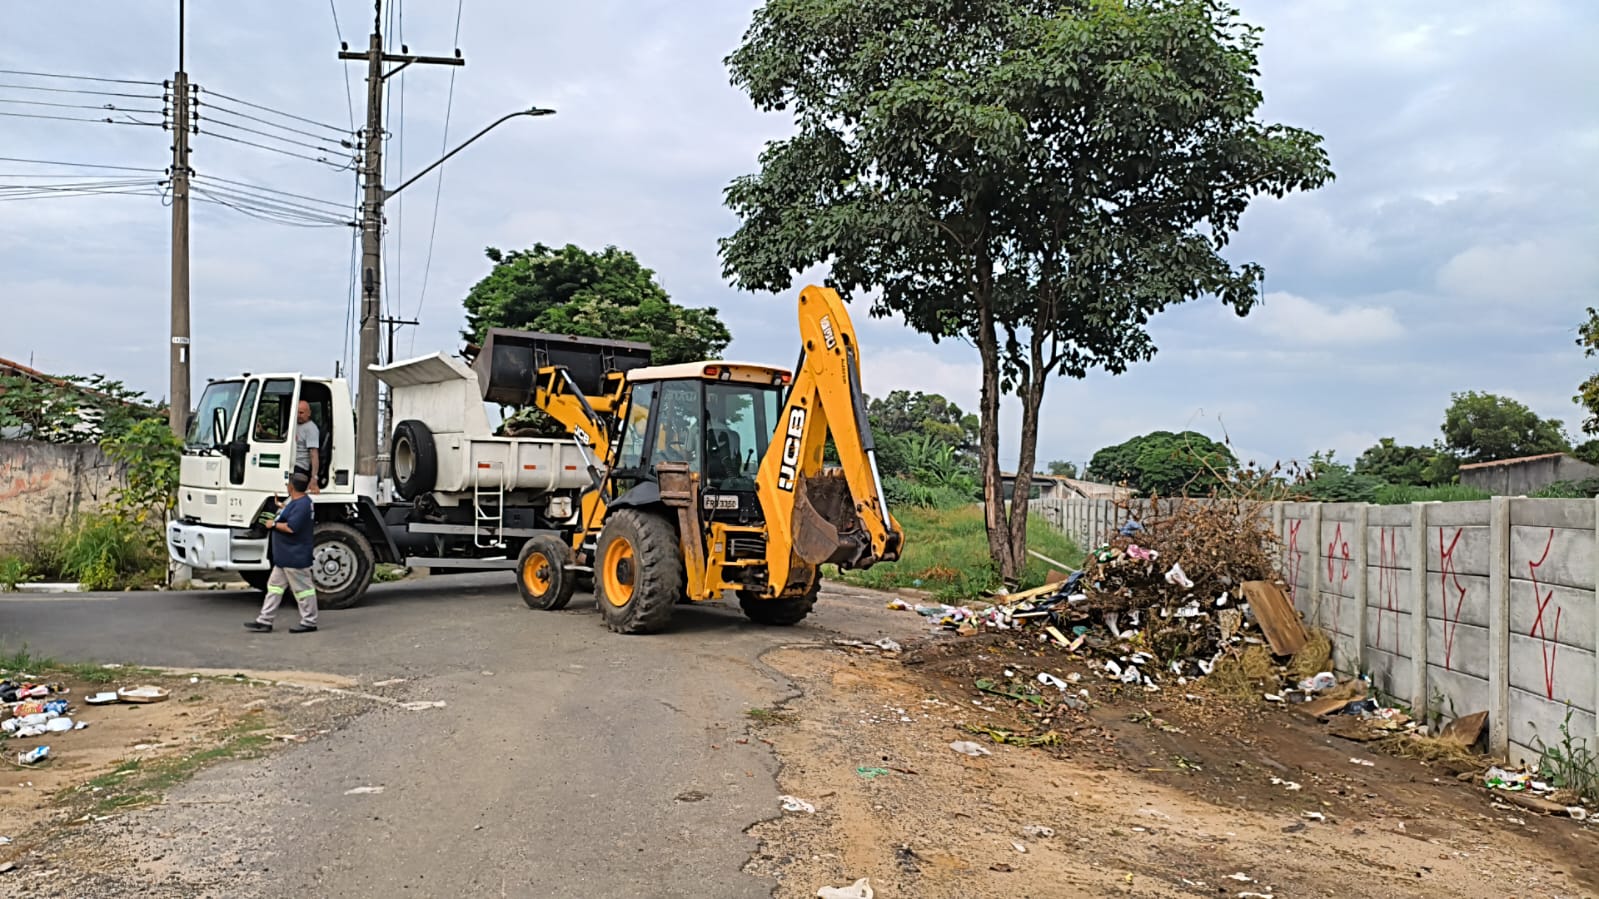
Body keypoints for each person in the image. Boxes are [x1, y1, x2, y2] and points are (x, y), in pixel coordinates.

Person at [245, 471, 318, 634]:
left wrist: (273, 525)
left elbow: (292, 527)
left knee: (303, 589)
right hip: (285, 558)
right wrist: (282, 507)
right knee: (274, 588)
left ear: (291, 487)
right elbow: (293, 515)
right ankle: (264, 620)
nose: (286, 486)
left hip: (294, 558)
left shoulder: (302, 505)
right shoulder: (299, 502)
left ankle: (309, 621)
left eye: (288, 484)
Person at [292, 400, 321, 494]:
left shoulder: (311, 429)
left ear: (309, 413)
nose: (299, 415)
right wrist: (264, 433)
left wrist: (314, 478)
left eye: (301, 412)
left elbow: (314, 455)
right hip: (290, 464)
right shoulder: (294, 425)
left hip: (300, 468)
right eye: (297, 412)